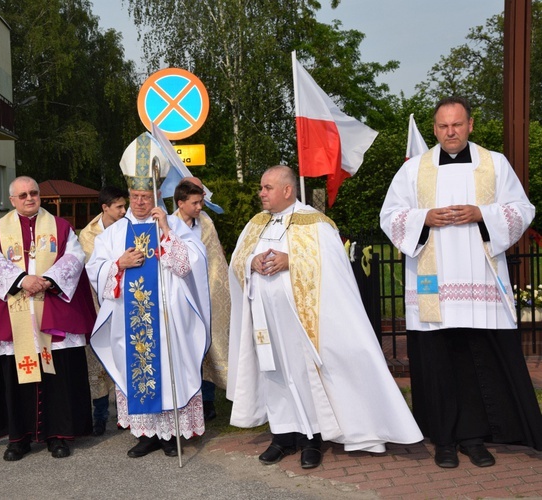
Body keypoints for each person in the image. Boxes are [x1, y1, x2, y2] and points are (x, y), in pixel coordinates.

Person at [380, 96, 542, 468]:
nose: (450, 132)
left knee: (475, 360)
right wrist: (425, 218)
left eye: (456, 125)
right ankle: (445, 440)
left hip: (479, 280)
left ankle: (475, 438)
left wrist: (481, 213)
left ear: (470, 125)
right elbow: (390, 215)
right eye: (442, 126)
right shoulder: (414, 169)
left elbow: (521, 210)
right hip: (433, 282)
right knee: (437, 361)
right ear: (434, 128)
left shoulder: (494, 164)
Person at [227, 165, 422, 469]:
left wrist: (290, 261)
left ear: (287, 190)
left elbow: (333, 265)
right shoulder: (255, 224)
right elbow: (237, 261)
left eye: (267, 188)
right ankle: (282, 436)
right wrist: (252, 262)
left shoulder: (315, 223)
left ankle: (311, 439)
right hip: (265, 318)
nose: (261, 193)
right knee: (273, 373)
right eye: (262, 188)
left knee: (304, 375)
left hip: (301, 321)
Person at [87, 132, 211, 458]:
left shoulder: (173, 225)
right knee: (137, 367)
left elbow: (190, 265)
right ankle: (147, 434)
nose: (140, 202)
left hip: (169, 318)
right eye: (135, 195)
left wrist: (168, 234)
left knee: (170, 369)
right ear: (128, 195)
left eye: (146, 195)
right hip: (131, 320)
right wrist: (119, 263)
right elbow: (96, 270)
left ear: (155, 195)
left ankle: (171, 434)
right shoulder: (112, 234)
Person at [0, 176, 96, 461]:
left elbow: (75, 257)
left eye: (34, 193)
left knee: (58, 377)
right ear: (12, 200)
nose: (29, 198)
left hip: (52, 310)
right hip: (15, 313)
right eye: (23, 195)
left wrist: (49, 279)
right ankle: (19, 438)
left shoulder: (61, 227)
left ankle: (59, 435)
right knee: (16, 379)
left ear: (41, 197)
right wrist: (21, 279)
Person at [173, 177, 231, 421]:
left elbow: (215, 257)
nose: (200, 207)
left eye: (201, 202)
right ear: (181, 203)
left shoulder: (205, 223)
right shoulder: (169, 225)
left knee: (208, 346)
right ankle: (188, 401)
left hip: (206, 291)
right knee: (187, 349)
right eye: (196, 203)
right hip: (182, 295)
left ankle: (208, 401)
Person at [78, 185, 128, 435]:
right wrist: (118, 264)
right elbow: (94, 270)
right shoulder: (89, 235)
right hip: (97, 305)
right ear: (104, 208)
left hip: (124, 302)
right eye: (118, 206)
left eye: (124, 205)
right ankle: (99, 415)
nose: (124, 210)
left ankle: (125, 414)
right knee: (97, 361)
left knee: (123, 356)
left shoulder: (130, 226)